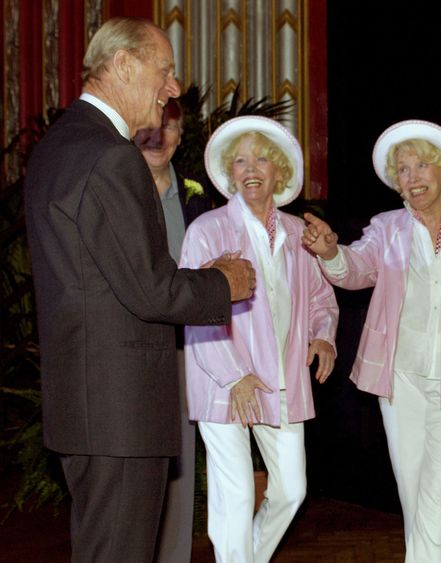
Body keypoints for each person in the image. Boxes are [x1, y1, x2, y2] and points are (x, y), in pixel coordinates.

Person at [23, 17, 255, 563]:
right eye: (165, 71)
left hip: (90, 406)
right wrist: (225, 281)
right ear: (123, 65)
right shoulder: (110, 156)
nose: (173, 88)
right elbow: (151, 290)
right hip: (117, 412)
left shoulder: (62, 143)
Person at [302, 119, 441, 563]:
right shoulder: (388, 228)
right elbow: (357, 268)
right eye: (403, 170)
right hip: (401, 379)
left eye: (422, 165)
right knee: (413, 490)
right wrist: (330, 252)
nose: (413, 176)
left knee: (438, 492)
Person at [180, 115, 339, 563]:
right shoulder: (206, 230)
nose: (251, 168)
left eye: (263, 159)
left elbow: (322, 299)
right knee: (235, 497)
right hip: (222, 382)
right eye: (241, 160)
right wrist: (235, 377)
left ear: (280, 171)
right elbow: (196, 313)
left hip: (281, 379)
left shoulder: (297, 234)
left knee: (291, 489)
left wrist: (324, 337)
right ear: (230, 172)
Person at [134, 98, 213, 563]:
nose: (158, 135)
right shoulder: (121, 189)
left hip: (189, 345)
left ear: (181, 137)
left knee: (181, 459)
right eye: (152, 125)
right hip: (139, 344)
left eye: (170, 128)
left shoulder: (196, 194)